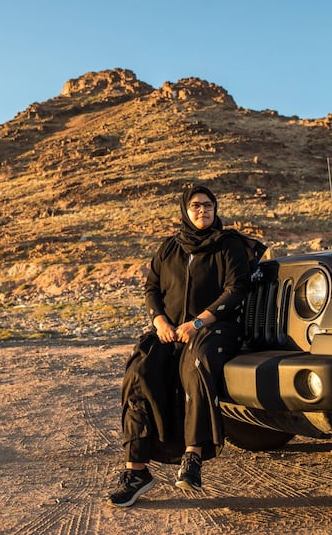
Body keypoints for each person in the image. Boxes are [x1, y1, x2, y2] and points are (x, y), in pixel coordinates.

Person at [107, 183, 266, 507]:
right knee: (139, 372)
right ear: (185, 210)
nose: (202, 211)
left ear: (215, 208)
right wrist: (160, 322)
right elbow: (152, 288)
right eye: (195, 206)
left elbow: (236, 289)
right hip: (171, 330)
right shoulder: (169, 248)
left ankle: (193, 454)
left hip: (216, 328)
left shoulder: (228, 245)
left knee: (196, 363)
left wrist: (198, 323)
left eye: (208, 205)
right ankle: (136, 470)